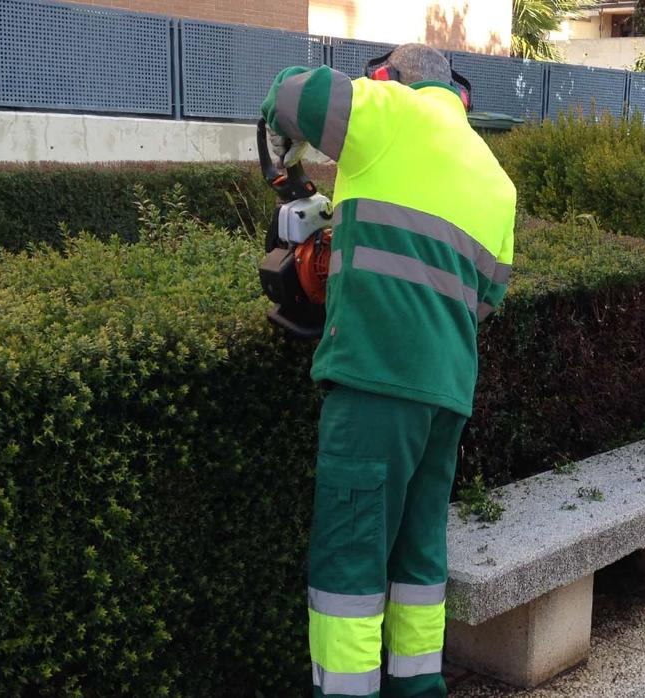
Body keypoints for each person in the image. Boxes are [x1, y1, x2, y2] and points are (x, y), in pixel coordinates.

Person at [261, 44, 516, 697]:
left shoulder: (386, 107)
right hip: (447, 395)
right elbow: (484, 301)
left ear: (390, 78)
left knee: (350, 561)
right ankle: (418, 687)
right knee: (419, 558)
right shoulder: (495, 179)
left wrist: (292, 154)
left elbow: (289, 92)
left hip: (376, 381)